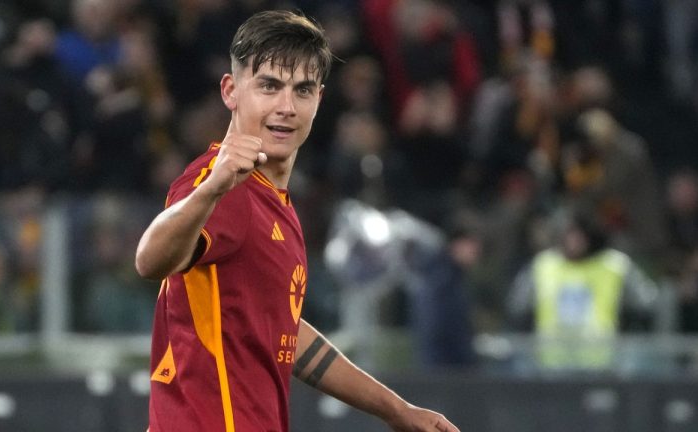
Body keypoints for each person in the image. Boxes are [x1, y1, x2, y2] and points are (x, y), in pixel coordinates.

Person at [134, 10, 460, 432]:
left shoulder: (276, 201)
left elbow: (284, 333)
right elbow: (149, 260)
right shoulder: (223, 186)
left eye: (302, 90)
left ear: (319, 100)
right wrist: (212, 189)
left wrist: (397, 411)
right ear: (231, 91)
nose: (286, 107)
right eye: (269, 86)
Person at [506, 210, 658, 370]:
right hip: (552, 364)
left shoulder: (614, 265)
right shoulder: (543, 265)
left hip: (601, 364)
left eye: (579, 235)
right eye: (570, 235)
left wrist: (626, 338)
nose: (574, 241)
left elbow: (647, 304)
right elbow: (517, 308)